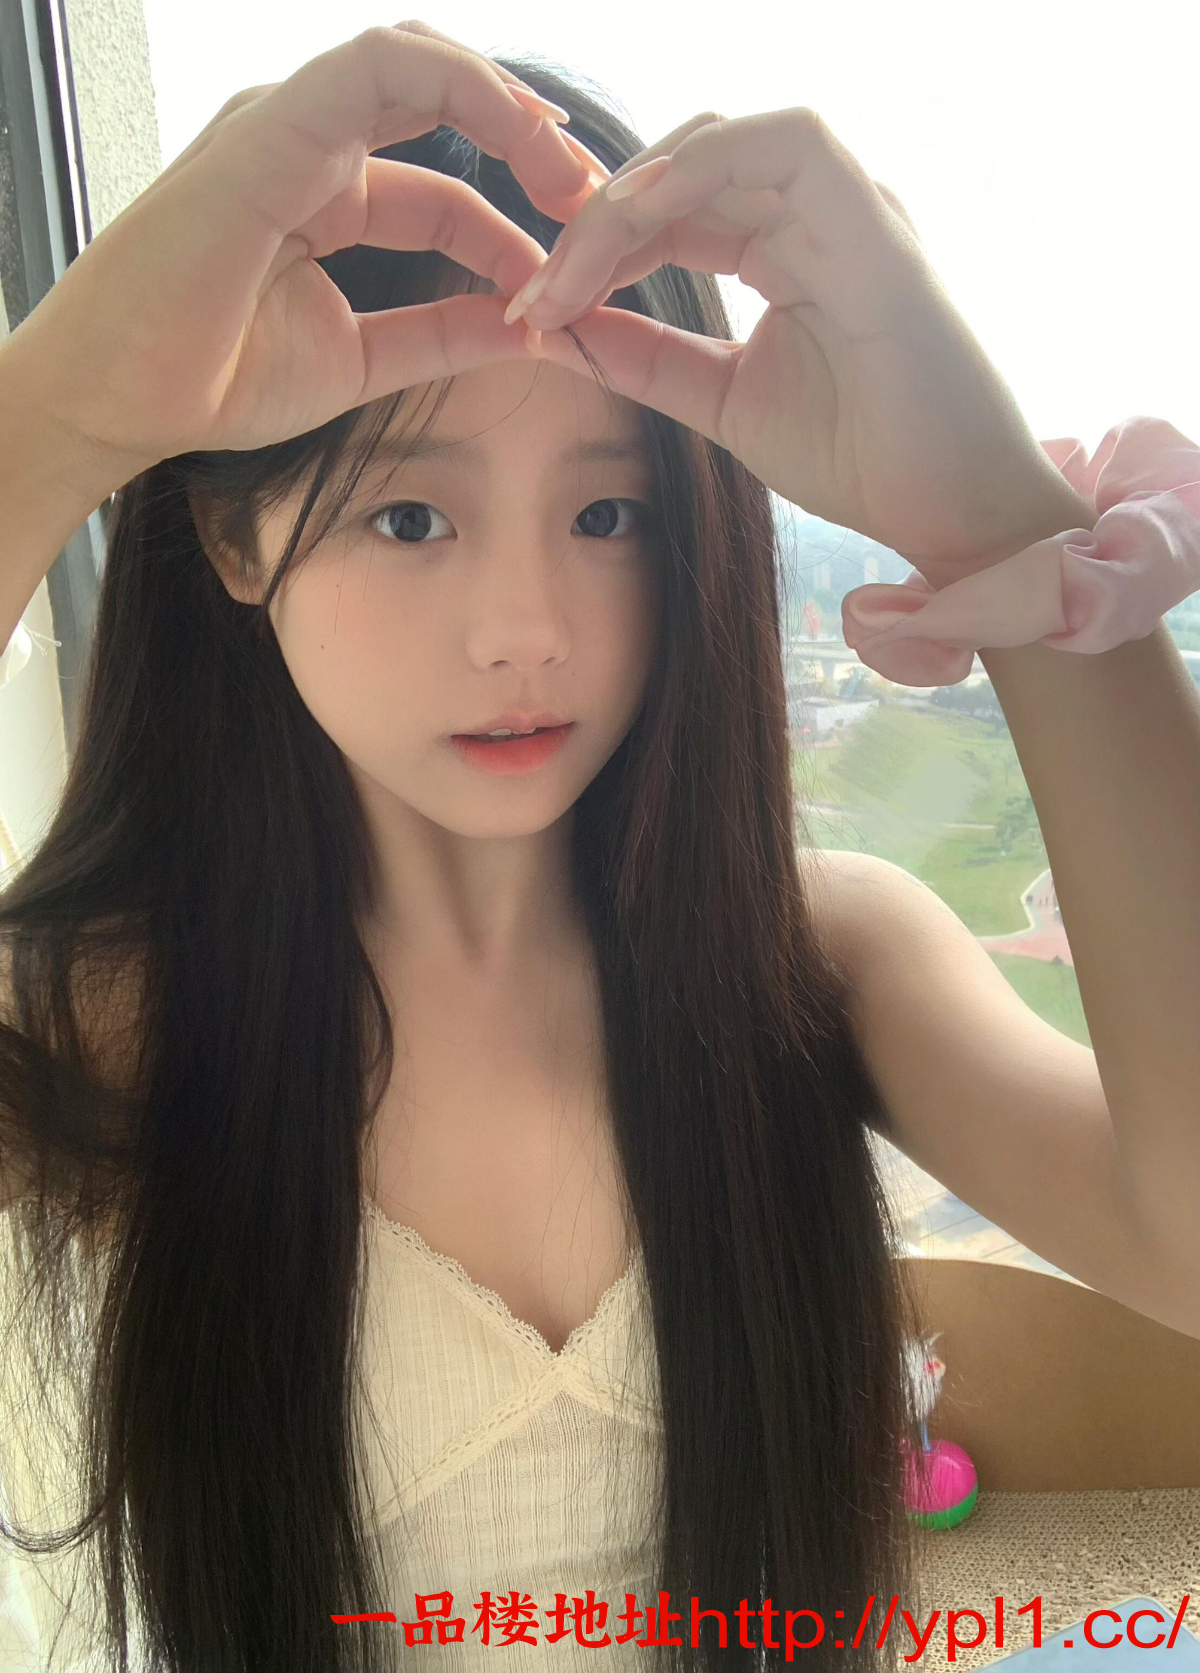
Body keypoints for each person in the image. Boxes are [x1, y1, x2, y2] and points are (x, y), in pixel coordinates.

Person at [2, 19, 1198, 1673]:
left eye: (608, 512)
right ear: (229, 533)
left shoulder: (813, 963)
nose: (528, 628)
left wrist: (999, 521)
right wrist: (57, 415)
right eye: (409, 515)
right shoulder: (115, 1018)